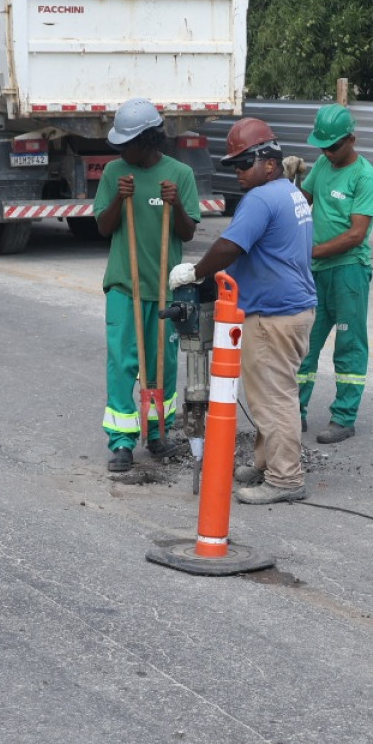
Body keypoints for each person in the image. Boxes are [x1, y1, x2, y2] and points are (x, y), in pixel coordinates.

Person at [169, 118, 316, 504]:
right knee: (269, 393)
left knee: (274, 398)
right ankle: (267, 463)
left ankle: (286, 480)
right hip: (294, 310)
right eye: (233, 165)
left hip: (272, 315)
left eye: (243, 163)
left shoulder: (261, 199)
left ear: (269, 162)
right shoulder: (290, 192)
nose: (237, 172)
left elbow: (229, 246)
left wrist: (195, 272)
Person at [93, 98, 202, 473]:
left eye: (128, 143)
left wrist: (177, 206)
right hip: (125, 287)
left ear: (149, 139)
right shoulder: (114, 175)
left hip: (165, 291)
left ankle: (157, 434)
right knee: (122, 365)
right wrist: (119, 200)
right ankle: (122, 441)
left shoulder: (179, 175)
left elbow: (187, 233)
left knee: (162, 367)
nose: (122, 150)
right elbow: (104, 228)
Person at [295, 103, 373, 444]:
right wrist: (287, 185)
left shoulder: (366, 176)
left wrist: (308, 252)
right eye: (322, 146)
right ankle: (293, 412)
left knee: (349, 345)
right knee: (304, 344)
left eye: (332, 146)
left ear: (351, 140)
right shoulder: (321, 165)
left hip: (348, 272)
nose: (327, 152)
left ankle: (344, 417)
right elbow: (302, 201)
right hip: (316, 273)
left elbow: (355, 234)